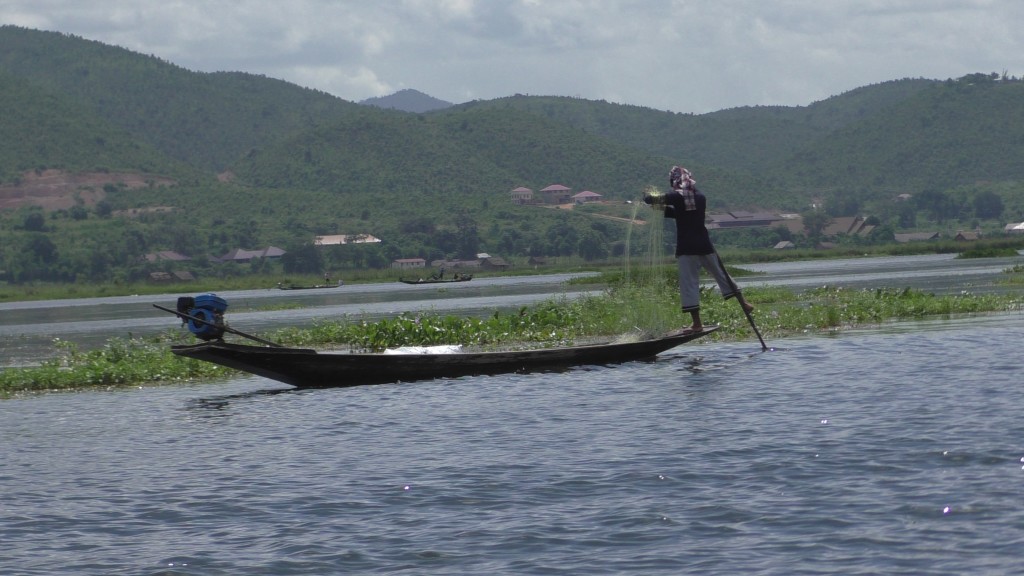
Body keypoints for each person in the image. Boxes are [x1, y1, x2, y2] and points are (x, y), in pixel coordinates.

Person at [644, 166, 754, 333]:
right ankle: (744, 303)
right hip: (705, 245)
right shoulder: (700, 197)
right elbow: (682, 214)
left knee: (689, 284)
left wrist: (647, 195)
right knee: (722, 275)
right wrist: (662, 208)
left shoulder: (676, 196)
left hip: (687, 249)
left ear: (675, 181)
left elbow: (650, 200)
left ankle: (697, 324)